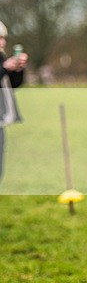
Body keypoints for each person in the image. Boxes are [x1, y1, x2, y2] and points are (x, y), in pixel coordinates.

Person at [0, 20, 28, 183]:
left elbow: (13, 84)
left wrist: (18, 69)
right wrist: (5, 67)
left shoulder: (1, 57)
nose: (2, 42)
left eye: (3, 38)